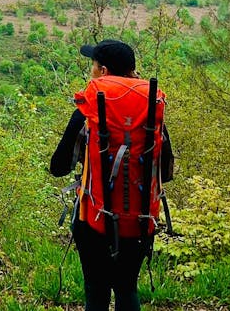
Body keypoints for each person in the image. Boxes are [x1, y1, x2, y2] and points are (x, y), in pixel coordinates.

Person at [49, 39, 173, 311]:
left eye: (92, 65)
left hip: (93, 219)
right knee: (127, 288)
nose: (90, 71)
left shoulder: (87, 113)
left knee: (97, 290)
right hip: (140, 221)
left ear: (103, 71)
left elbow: (58, 167)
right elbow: (165, 172)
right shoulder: (151, 112)